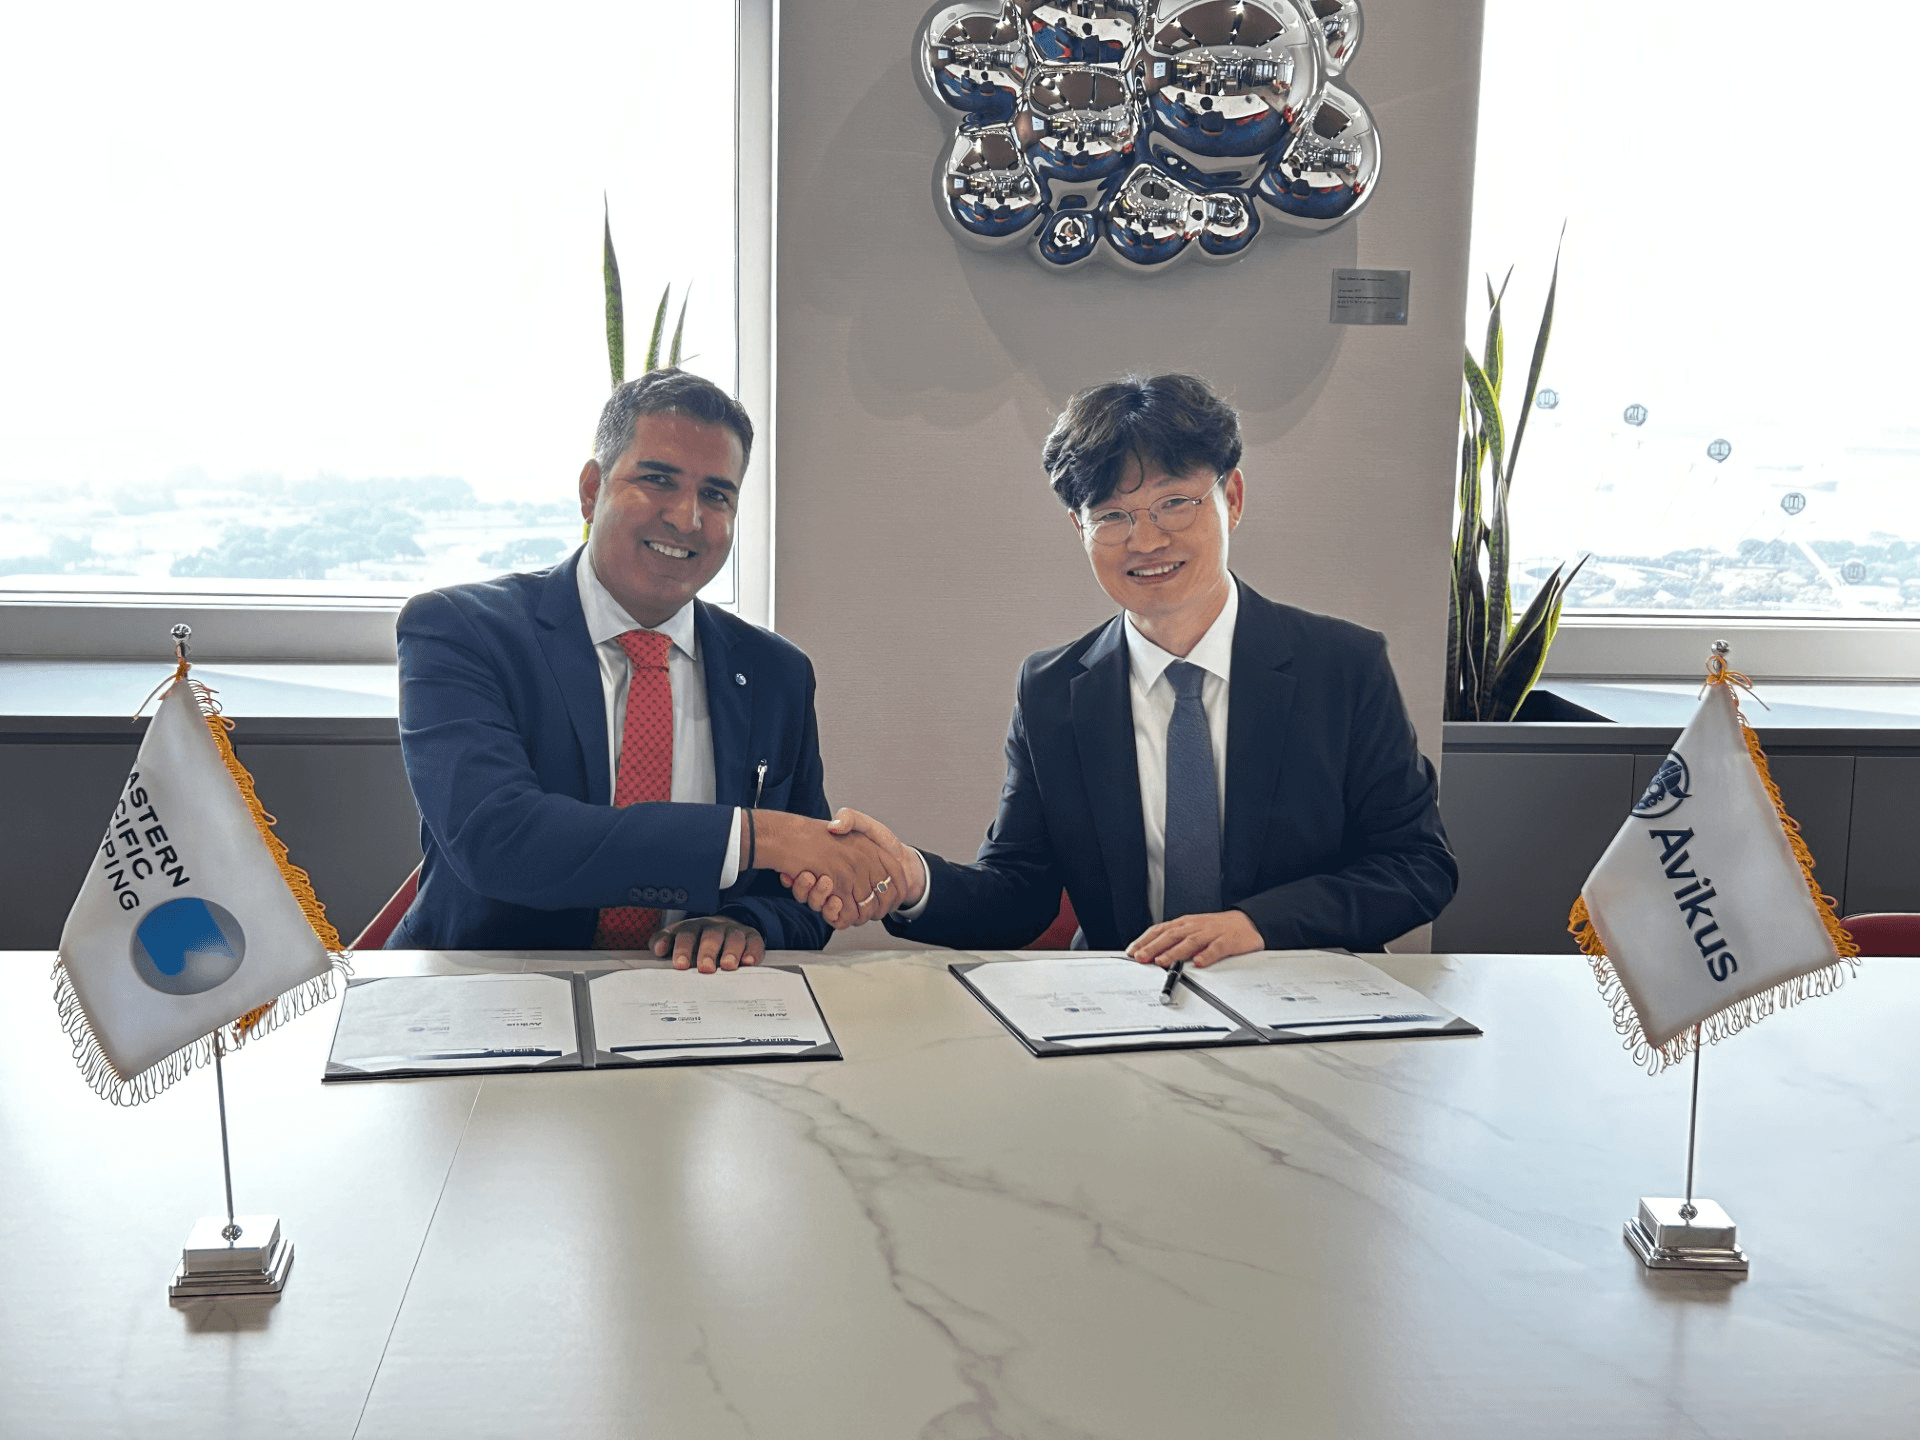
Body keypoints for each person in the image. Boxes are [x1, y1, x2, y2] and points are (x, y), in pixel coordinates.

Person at [788, 372, 1456, 965]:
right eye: (1112, 515)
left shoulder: (1342, 668)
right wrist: (913, 880)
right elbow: (1020, 895)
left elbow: (1416, 866)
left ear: (1232, 498)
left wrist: (1256, 926)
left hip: (1306, 1002)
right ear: (1078, 528)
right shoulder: (1054, 691)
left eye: (1175, 503)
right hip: (1126, 1013)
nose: (1146, 540)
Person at [390, 368, 898, 969]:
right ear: (591, 489)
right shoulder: (461, 631)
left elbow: (806, 894)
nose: (687, 518)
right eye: (658, 480)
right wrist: (757, 837)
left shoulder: (776, 673)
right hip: (484, 991)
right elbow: (499, 840)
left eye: (717, 494)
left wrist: (746, 923)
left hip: (687, 999)